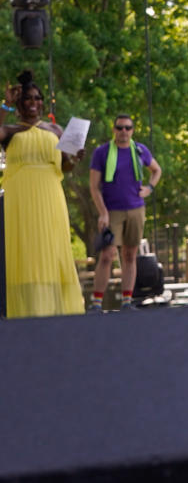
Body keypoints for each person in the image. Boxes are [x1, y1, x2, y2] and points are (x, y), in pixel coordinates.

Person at [1, 70, 85, 317]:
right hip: (21, 198)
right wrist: (4, 104)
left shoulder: (55, 129)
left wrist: (74, 159)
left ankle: (58, 313)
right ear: (19, 103)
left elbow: (65, 166)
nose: (34, 103)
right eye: (28, 98)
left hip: (50, 195)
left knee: (54, 248)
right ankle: (28, 312)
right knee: (27, 252)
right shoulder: (10, 130)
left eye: (38, 98)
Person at [88, 114, 162, 312]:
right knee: (107, 254)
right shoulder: (102, 152)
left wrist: (149, 189)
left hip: (136, 208)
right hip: (112, 211)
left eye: (127, 128)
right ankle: (96, 303)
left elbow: (156, 170)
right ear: (114, 130)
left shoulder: (139, 150)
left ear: (132, 130)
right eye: (120, 128)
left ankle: (127, 301)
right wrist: (102, 212)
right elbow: (94, 187)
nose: (123, 132)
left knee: (130, 255)